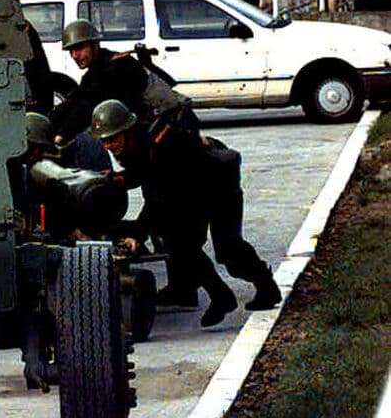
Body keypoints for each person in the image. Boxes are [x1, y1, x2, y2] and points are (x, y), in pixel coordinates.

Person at [91, 99, 280, 327]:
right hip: (189, 190)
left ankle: (267, 287)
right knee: (181, 245)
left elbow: (157, 199)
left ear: (127, 131)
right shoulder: (137, 145)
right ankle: (221, 297)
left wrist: (137, 235)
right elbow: (144, 174)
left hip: (218, 187)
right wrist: (120, 179)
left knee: (228, 250)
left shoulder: (161, 146)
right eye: (104, 141)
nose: (108, 146)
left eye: (112, 139)